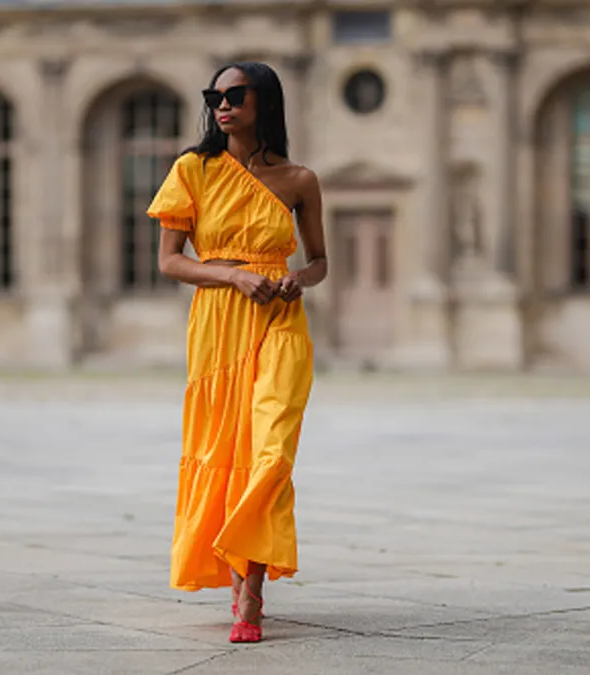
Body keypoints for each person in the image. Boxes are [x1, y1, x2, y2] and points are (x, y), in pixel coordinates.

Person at [148, 61, 327, 644]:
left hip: (280, 319)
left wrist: (298, 278)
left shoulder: (300, 180)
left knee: (270, 449)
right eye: (214, 97)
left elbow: (320, 261)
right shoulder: (192, 170)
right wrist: (233, 276)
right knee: (225, 449)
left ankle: (249, 589)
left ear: (264, 101)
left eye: (234, 95)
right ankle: (241, 577)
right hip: (218, 324)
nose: (221, 105)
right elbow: (170, 261)